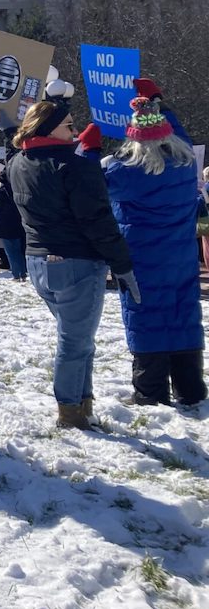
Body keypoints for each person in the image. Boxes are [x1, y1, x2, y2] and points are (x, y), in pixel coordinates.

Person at [8, 100, 136, 430]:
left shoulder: (18, 164)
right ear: (48, 128)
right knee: (75, 341)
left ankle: (82, 404)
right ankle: (71, 411)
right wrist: (122, 264)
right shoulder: (75, 167)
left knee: (79, 338)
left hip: (38, 262)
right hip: (75, 263)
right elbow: (98, 221)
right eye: (68, 125)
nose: (75, 131)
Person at [104, 95, 206, 407]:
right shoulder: (186, 164)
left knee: (146, 318)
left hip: (142, 260)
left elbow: (90, 183)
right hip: (182, 258)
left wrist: (93, 150)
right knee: (183, 315)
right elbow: (183, 138)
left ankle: (150, 391)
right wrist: (163, 107)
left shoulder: (128, 173)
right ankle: (190, 388)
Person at [0, 171, 27, 281]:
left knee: (10, 251)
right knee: (18, 250)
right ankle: (23, 272)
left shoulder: (1, 192)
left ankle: (15, 273)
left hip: (5, 225)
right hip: (17, 223)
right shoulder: (18, 190)